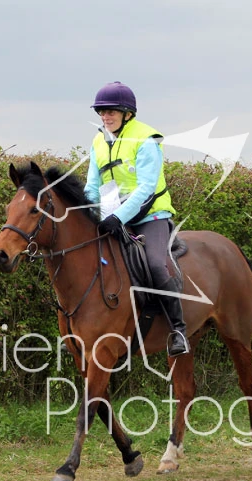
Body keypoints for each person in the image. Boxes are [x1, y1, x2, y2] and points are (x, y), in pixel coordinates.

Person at [84, 81, 189, 356]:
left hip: (150, 215)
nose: (105, 117)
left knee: (155, 264)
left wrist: (118, 217)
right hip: (113, 216)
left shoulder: (146, 139)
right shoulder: (98, 141)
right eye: (101, 112)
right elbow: (92, 186)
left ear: (127, 113)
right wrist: (86, 212)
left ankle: (178, 329)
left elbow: (146, 188)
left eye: (111, 112)